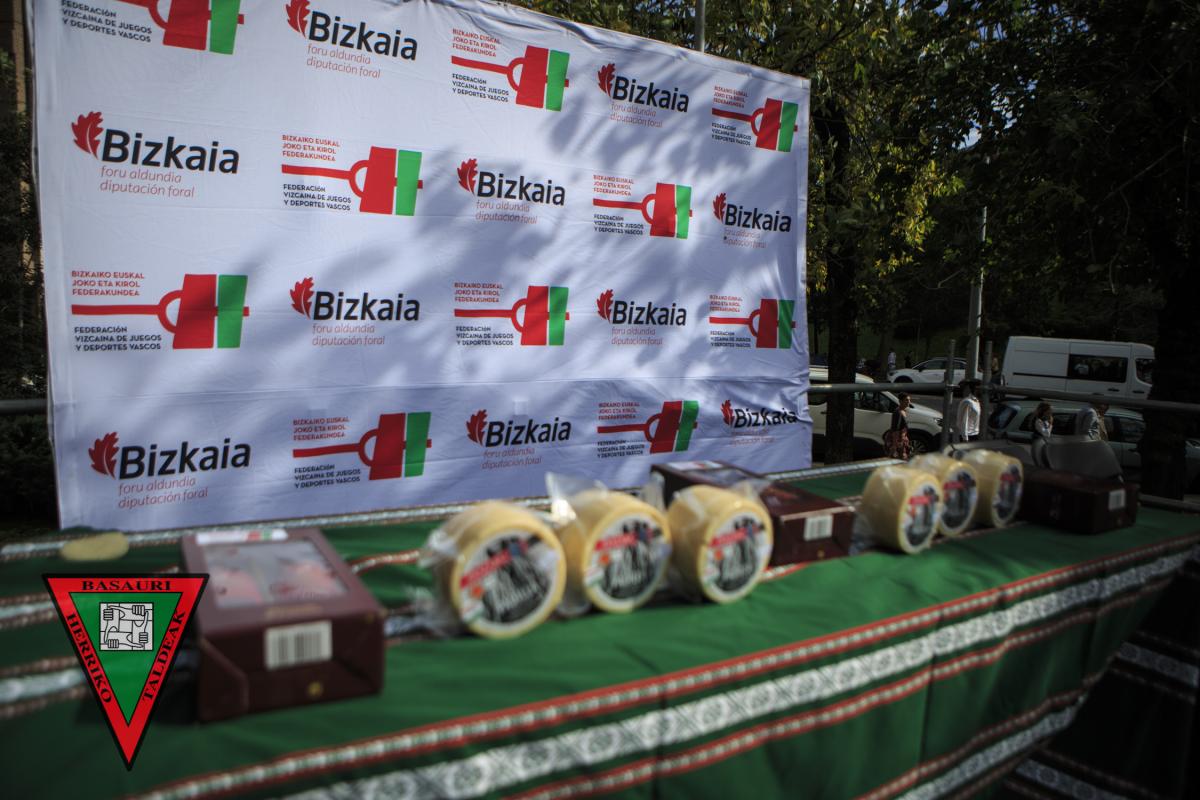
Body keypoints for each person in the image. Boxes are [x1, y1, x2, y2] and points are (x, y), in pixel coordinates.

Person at [884, 393, 912, 460]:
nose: (909, 402)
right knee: (899, 460)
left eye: (909, 400)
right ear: (900, 401)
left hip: (902, 441)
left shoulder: (903, 411)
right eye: (906, 400)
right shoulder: (898, 413)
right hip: (898, 442)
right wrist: (894, 446)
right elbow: (895, 430)